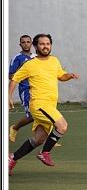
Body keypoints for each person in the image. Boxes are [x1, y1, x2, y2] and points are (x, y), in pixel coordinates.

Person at [8, 34, 79, 174]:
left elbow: (60, 75)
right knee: (62, 126)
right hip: (39, 104)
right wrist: (8, 96)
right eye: (42, 44)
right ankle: (45, 153)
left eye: (48, 43)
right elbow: (15, 79)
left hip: (50, 106)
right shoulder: (30, 64)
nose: (45, 46)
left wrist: (68, 76)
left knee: (39, 139)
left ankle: (12, 159)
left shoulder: (54, 60)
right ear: (36, 46)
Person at [8, 35, 35, 143]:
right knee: (32, 115)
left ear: (31, 43)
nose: (26, 44)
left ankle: (47, 138)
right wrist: (23, 74)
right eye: (23, 42)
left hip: (39, 89)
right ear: (20, 44)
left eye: (28, 42)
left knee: (43, 111)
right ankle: (15, 128)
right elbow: (10, 75)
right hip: (26, 89)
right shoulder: (17, 58)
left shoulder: (36, 57)